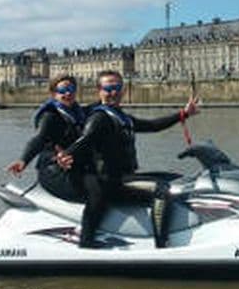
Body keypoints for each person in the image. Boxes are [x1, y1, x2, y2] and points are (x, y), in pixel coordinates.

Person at [56, 70, 199, 248]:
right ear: (99, 91)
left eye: (116, 87)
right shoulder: (99, 118)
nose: (113, 92)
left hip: (126, 176)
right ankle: (162, 244)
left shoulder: (122, 117)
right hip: (111, 181)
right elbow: (85, 139)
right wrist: (66, 155)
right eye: (108, 88)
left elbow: (152, 126)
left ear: (123, 90)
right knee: (162, 191)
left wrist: (182, 114)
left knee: (175, 179)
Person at [6, 74, 89, 202]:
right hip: (53, 171)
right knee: (93, 192)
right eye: (62, 91)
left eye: (71, 89)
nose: (67, 93)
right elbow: (39, 139)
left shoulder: (80, 113)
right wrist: (23, 160)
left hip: (74, 166)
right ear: (54, 94)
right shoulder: (50, 116)